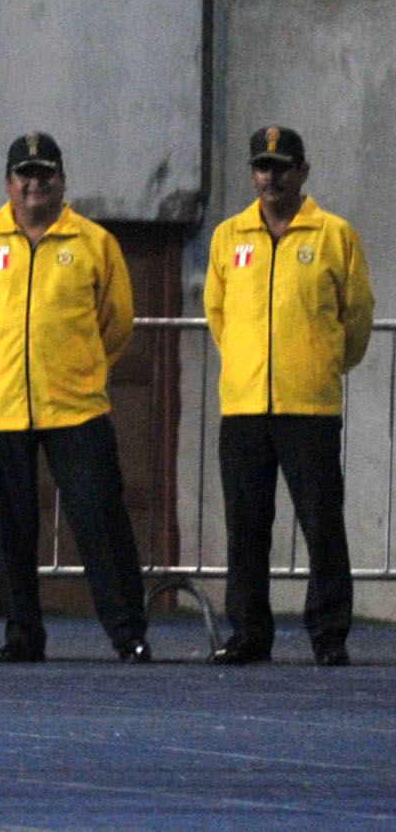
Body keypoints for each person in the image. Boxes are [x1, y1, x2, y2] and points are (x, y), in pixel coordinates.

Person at [0, 132, 147, 663]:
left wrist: (78, 366)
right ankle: (22, 634)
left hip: (75, 406)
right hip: (0, 406)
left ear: (63, 181)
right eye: (23, 175)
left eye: (45, 174)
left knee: (100, 521)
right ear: (8, 183)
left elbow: (117, 322)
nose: (34, 184)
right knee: (10, 529)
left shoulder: (94, 243)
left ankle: (129, 633)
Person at [201, 127, 373, 666]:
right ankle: (249, 633)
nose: (270, 176)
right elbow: (218, 313)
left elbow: (358, 317)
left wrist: (322, 364)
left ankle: (329, 634)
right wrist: (248, 367)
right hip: (246, 407)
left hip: (310, 406)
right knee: (246, 525)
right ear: (253, 173)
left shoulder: (334, 235)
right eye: (262, 166)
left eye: (281, 166)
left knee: (322, 523)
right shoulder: (229, 237)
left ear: (303, 172)